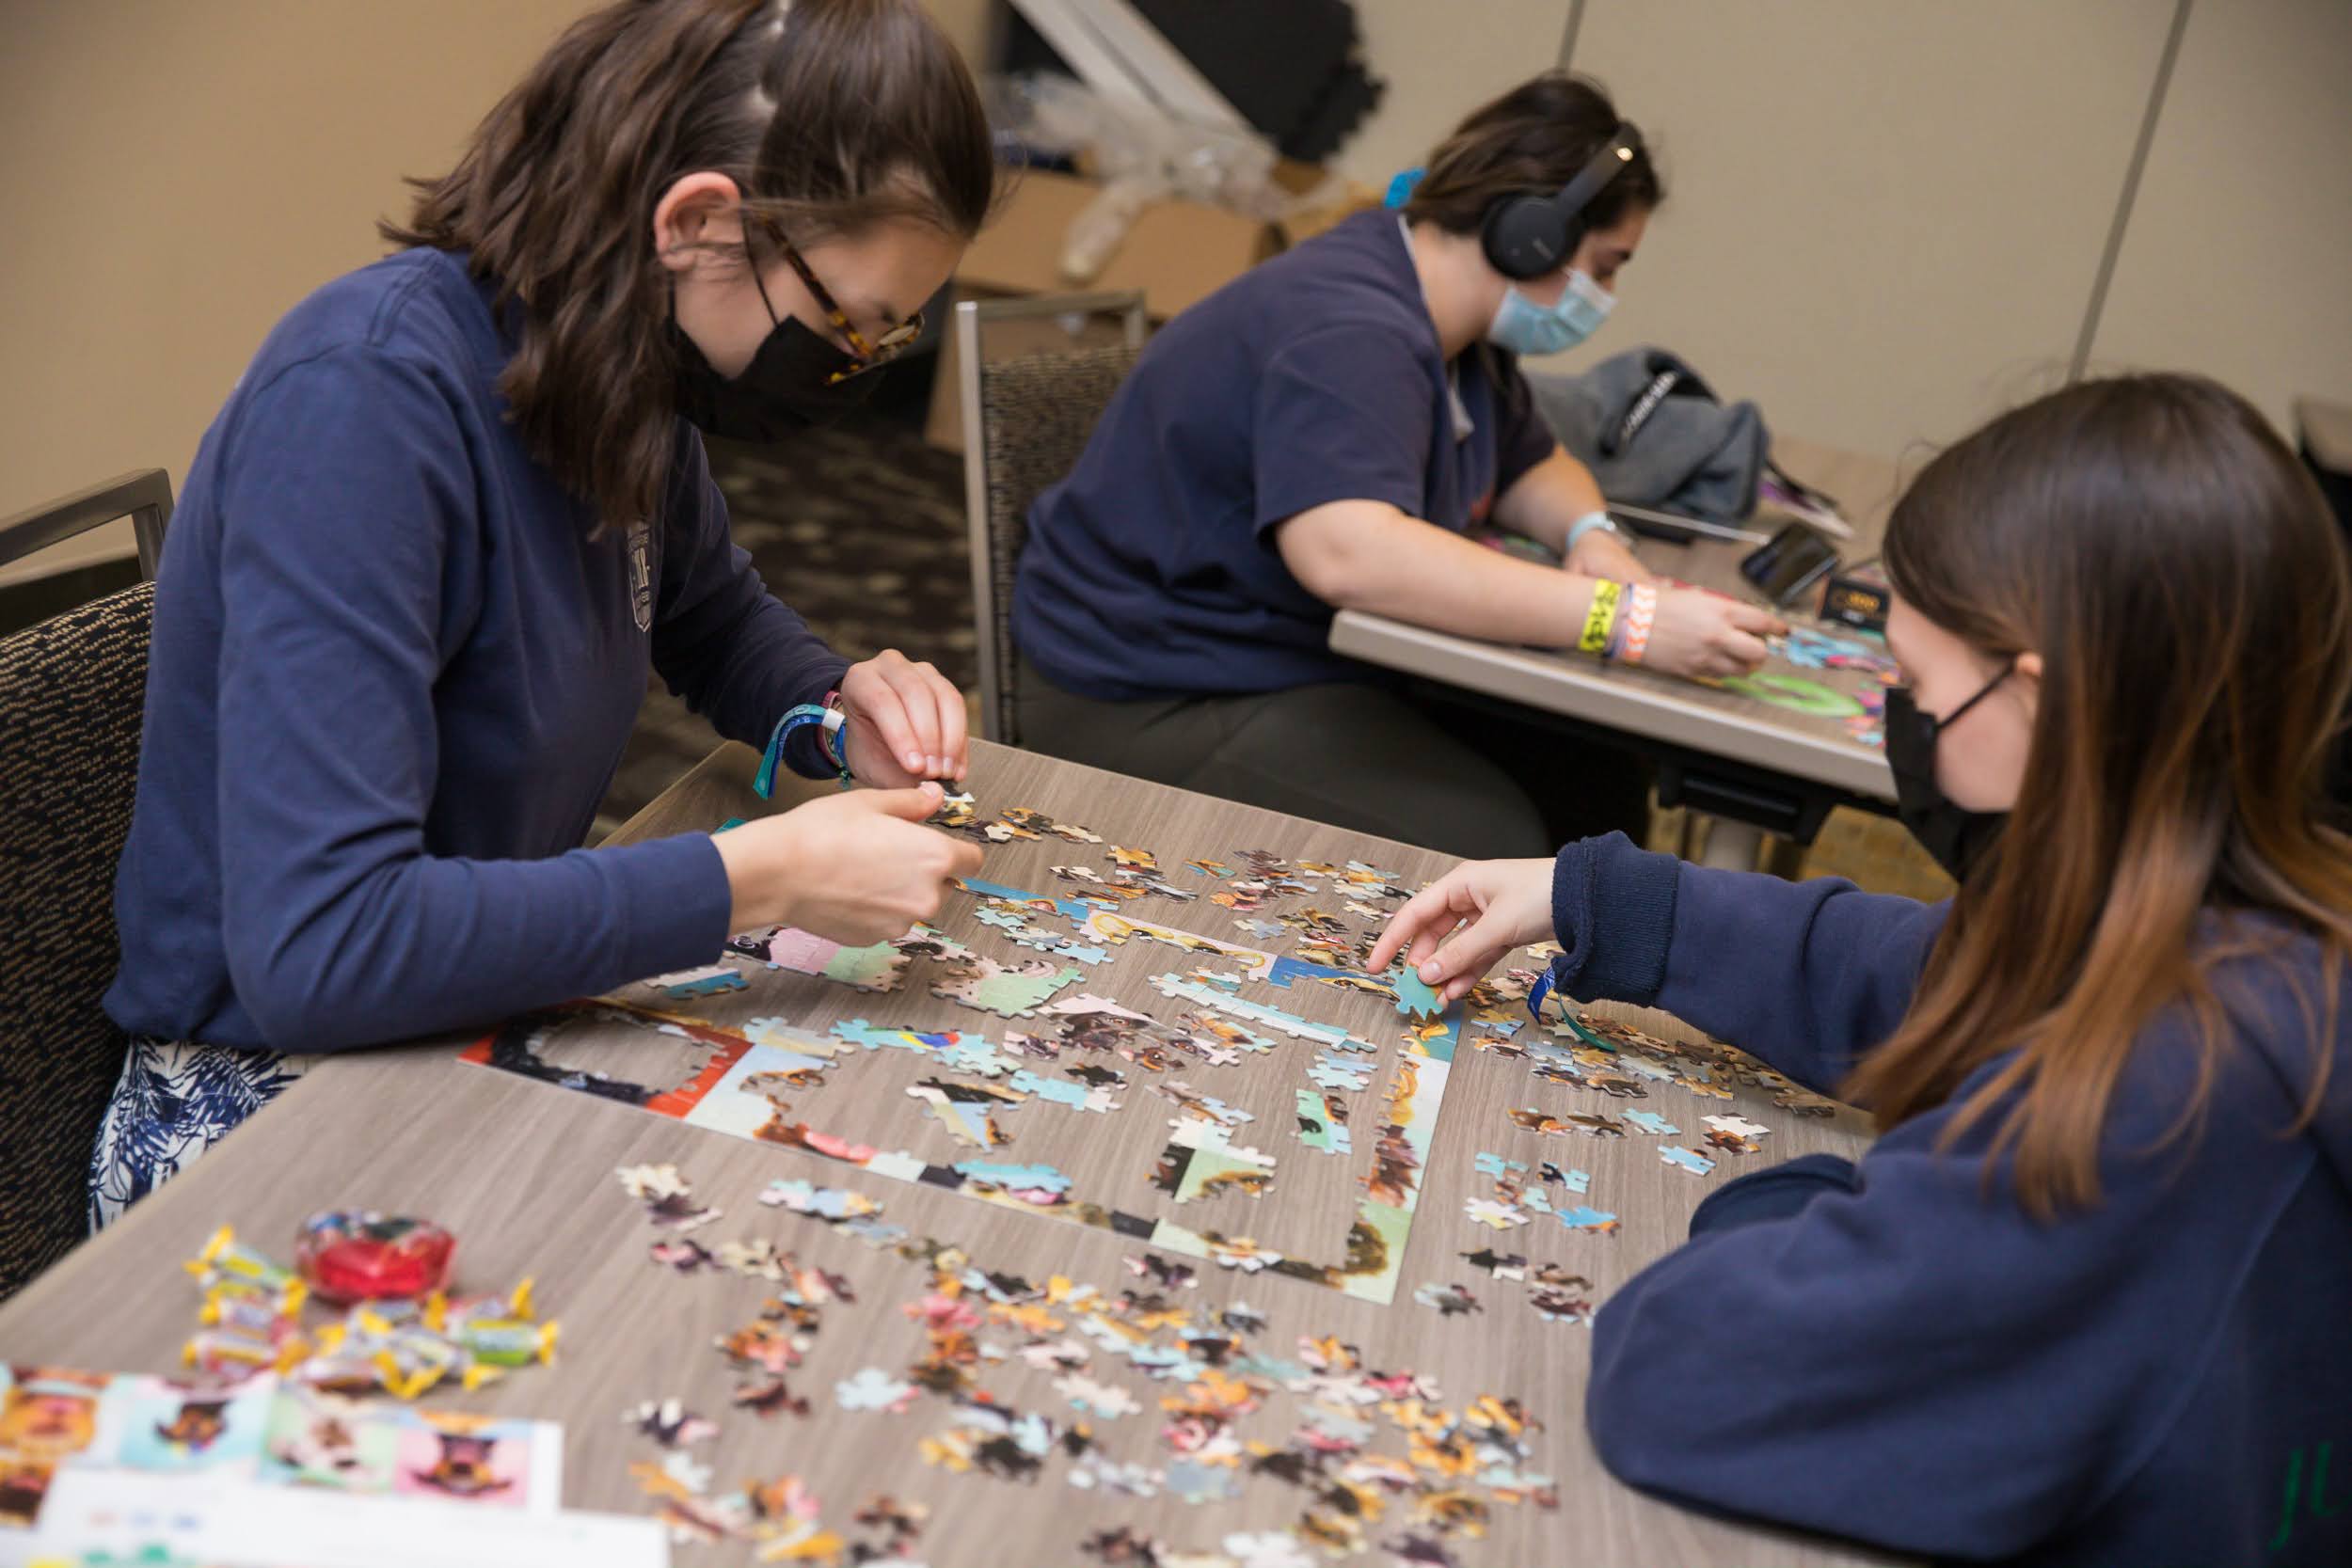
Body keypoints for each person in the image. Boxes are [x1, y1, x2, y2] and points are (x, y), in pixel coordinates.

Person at [1369, 373, 2352, 1567]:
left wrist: (1800, 1200)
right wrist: (1598, 900)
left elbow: (1695, 1374)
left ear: (2046, 698)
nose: (1907, 726)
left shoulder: (2166, 1090)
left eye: (1920, 688)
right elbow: (1938, 970)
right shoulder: (2264, 924)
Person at [94, 0, 993, 1227]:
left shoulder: (615, 371)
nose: (849, 367)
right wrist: (756, 875)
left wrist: (839, 710)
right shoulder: (363, 405)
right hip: (268, 1109)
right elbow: (324, 948)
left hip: (478, 1010)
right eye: (845, 322)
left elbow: (715, 621)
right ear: (697, 223)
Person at [1011, 72, 1782, 861]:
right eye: (1606, 265)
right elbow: (1352, 554)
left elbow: (1533, 462)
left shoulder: (1455, 329)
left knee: (1594, 786)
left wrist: (1593, 535)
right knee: (1489, 841)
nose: (1605, 293)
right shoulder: (1348, 330)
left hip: (1262, 653)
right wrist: (1624, 621)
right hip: (1146, 691)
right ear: (1533, 235)